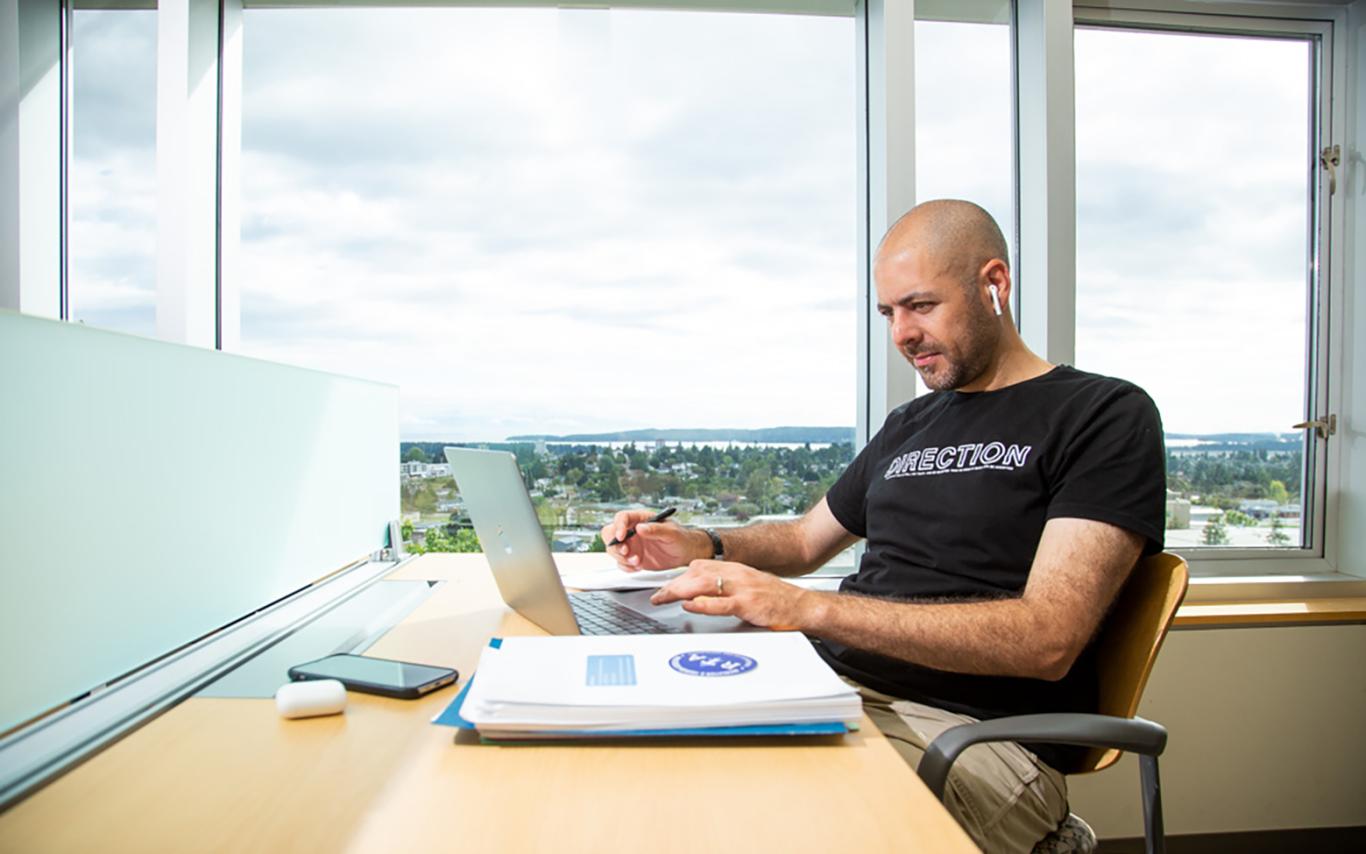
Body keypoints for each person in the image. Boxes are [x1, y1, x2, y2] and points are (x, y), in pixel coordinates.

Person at [600, 199, 1165, 854]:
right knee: (643, 765)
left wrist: (809, 611)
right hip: (832, 687)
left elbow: (1047, 638)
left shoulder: (1101, 414)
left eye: (921, 306)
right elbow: (803, 541)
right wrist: (698, 542)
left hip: (973, 734)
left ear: (994, 285)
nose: (902, 334)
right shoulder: (908, 426)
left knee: (752, 820)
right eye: (889, 313)